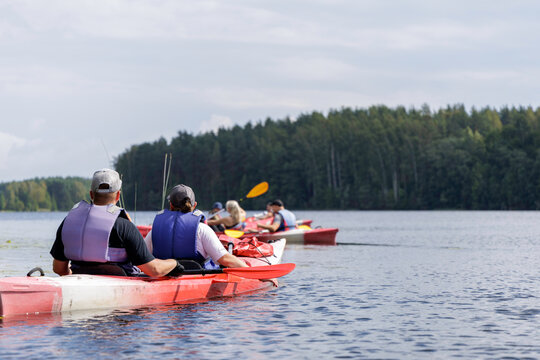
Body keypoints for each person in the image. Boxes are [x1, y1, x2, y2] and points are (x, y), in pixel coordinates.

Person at [50, 169, 183, 277]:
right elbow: (154, 270)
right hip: (119, 288)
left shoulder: (68, 222)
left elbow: (59, 269)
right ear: (118, 195)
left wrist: (74, 279)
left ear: (91, 194)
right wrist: (174, 263)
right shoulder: (124, 226)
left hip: (79, 282)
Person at [145, 184, 248, 269]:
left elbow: (140, 258)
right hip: (196, 277)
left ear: (171, 205)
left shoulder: (155, 230)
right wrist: (250, 271)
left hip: (162, 277)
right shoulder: (202, 229)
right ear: (194, 205)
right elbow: (225, 259)